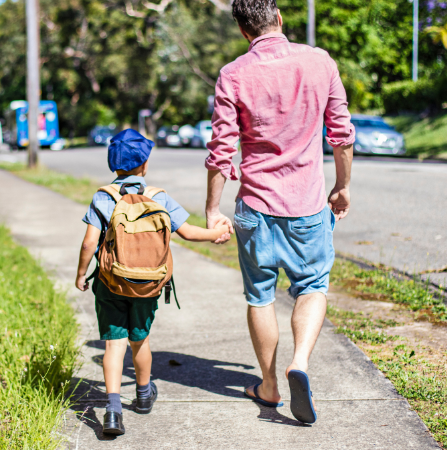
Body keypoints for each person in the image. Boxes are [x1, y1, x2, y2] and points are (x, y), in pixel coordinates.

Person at [203, 0, 355, 424]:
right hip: (307, 206)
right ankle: (300, 362)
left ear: (241, 29)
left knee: (260, 296)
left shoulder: (232, 74)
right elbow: (340, 136)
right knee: (311, 286)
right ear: (280, 18)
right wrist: (342, 188)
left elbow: (221, 152)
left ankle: (269, 385)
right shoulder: (320, 62)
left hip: (255, 206)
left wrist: (213, 208)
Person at [75, 129, 230, 436]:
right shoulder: (158, 197)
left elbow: (88, 243)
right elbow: (188, 233)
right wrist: (217, 233)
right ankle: (144, 395)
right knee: (140, 340)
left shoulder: (104, 198)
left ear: (112, 165)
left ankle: (113, 411)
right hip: (148, 285)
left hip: (110, 283)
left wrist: (81, 274)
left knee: (114, 343)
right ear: (145, 164)